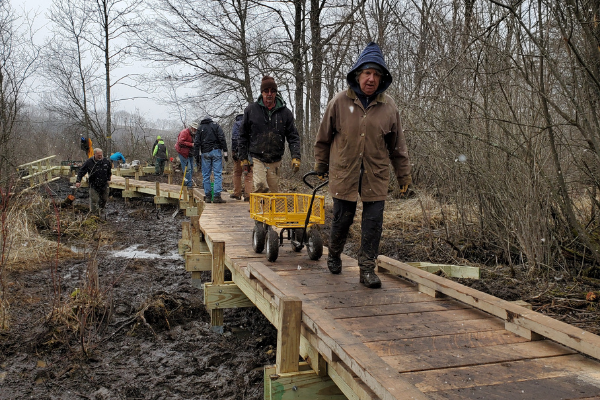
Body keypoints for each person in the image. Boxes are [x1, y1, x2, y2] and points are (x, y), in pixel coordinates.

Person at [314, 42, 412, 289]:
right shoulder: (339, 102)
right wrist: (321, 164)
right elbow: (324, 137)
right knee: (342, 219)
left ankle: (367, 268)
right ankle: (334, 253)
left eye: (377, 74)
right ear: (358, 74)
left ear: (382, 79)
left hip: (375, 175)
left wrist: (404, 177)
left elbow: (398, 146)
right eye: (367, 72)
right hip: (344, 172)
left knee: (373, 223)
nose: (371, 79)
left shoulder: (389, 107)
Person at [238, 76, 301, 193]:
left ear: (276, 93)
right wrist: (243, 158)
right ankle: (260, 210)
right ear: (262, 93)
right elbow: (243, 135)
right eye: (266, 91)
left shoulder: (285, 113)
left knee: (273, 193)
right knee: (261, 187)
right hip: (257, 157)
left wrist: (296, 156)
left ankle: (269, 210)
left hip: (275, 158)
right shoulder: (251, 110)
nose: (269, 94)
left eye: (272, 91)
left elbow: (293, 136)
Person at [194, 116, 228, 203]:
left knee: (206, 175)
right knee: (217, 174)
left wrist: (197, 157)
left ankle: (208, 196)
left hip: (205, 152)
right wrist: (225, 152)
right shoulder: (216, 126)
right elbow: (222, 138)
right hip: (216, 151)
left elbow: (196, 143)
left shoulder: (200, 128)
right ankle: (217, 196)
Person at [76, 148, 112, 215]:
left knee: (104, 199)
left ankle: (101, 210)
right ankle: (95, 214)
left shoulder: (106, 161)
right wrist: (78, 181)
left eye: (101, 155)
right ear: (94, 154)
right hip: (93, 184)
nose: (100, 157)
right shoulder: (89, 162)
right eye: (98, 155)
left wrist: (108, 179)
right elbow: (81, 172)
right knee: (94, 200)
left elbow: (109, 171)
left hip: (104, 184)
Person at [230, 113, 253, 201]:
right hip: (250, 153)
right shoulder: (251, 123)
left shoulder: (237, 124)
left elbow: (235, 138)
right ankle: (248, 195)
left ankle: (237, 193)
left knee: (237, 173)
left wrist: (234, 152)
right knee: (249, 175)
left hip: (239, 152)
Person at [175, 121, 198, 190]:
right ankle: (189, 184)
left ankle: (186, 182)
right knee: (188, 169)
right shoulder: (185, 132)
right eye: (194, 129)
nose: (195, 130)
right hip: (183, 152)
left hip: (190, 153)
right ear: (191, 128)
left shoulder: (194, 134)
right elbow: (180, 142)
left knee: (191, 169)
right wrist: (191, 144)